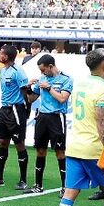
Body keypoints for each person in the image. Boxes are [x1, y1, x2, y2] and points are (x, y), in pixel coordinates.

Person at [58, 49, 104, 206]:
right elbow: (101, 122)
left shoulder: (79, 82)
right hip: (93, 148)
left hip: (74, 144)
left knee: (70, 192)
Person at [30, 54, 72, 194]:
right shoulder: (42, 79)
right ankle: (38, 185)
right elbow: (31, 99)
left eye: (43, 70)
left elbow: (62, 99)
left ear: (50, 66)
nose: (42, 73)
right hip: (42, 117)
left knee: (60, 152)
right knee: (40, 150)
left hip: (57, 117)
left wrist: (49, 88)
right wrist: (28, 87)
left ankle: (64, 187)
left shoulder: (66, 79)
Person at [0, 45, 31, 190]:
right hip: (4, 109)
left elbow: (25, 93)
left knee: (19, 143)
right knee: (2, 141)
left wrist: (25, 112)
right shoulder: (2, 71)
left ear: (7, 56)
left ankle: (23, 180)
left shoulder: (18, 72)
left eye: (1, 53)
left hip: (16, 110)